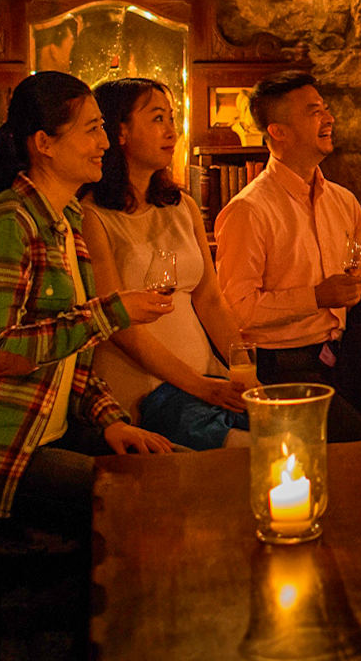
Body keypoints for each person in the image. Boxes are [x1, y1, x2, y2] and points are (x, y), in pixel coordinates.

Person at [0, 71, 174, 533]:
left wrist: (111, 422)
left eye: (104, 127)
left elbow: (70, 361)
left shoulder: (67, 220)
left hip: (52, 434)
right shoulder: (9, 223)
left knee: (167, 470)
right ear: (45, 143)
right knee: (142, 506)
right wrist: (110, 311)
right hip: (3, 454)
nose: (105, 142)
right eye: (91, 129)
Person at [214, 71, 361, 444]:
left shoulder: (343, 201)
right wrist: (316, 297)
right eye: (313, 111)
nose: (329, 118)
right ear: (279, 132)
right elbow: (236, 310)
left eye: (325, 108)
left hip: (346, 355)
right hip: (282, 369)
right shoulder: (249, 211)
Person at [81, 77, 250, 451]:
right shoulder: (92, 215)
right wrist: (199, 385)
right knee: (248, 452)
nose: (172, 131)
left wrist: (242, 369)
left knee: (288, 435)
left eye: (172, 119)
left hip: (206, 380)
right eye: (158, 119)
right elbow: (117, 326)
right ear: (119, 132)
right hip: (146, 391)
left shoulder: (182, 205)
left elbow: (210, 298)